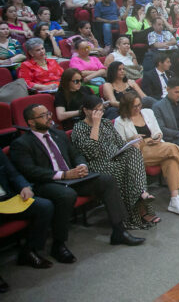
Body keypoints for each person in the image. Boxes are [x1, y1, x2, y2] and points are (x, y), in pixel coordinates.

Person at [10, 104, 145, 264]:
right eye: (43, 116)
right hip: (48, 183)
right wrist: (64, 175)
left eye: (48, 113)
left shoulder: (58, 134)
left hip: (73, 177)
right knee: (67, 195)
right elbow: (30, 171)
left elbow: (76, 154)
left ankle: (119, 231)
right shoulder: (22, 143)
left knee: (107, 180)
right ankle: (58, 244)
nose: (49, 117)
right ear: (31, 122)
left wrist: (82, 165)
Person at [115, 93, 179, 215]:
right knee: (172, 148)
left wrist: (157, 137)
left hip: (155, 145)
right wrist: (131, 139)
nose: (138, 108)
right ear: (126, 107)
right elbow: (119, 145)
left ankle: (175, 199)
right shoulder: (120, 121)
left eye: (139, 105)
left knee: (171, 160)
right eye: (134, 106)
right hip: (138, 151)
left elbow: (158, 131)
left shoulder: (147, 112)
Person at [71, 96, 158, 229]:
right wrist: (95, 125)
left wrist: (130, 143)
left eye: (101, 110)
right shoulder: (79, 128)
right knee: (124, 169)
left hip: (116, 156)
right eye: (95, 110)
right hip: (99, 163)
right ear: (85, 110)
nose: (99, 113)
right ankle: (140, 204)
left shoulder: (106, 122)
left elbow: (119, 142)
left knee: (134, 153)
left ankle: (141, 195)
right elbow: (91, 152)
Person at [0, 149, 54, 273]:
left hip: (6, 198)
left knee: (45, 207)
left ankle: (29, 251)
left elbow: (13, 173)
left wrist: (24, 186)